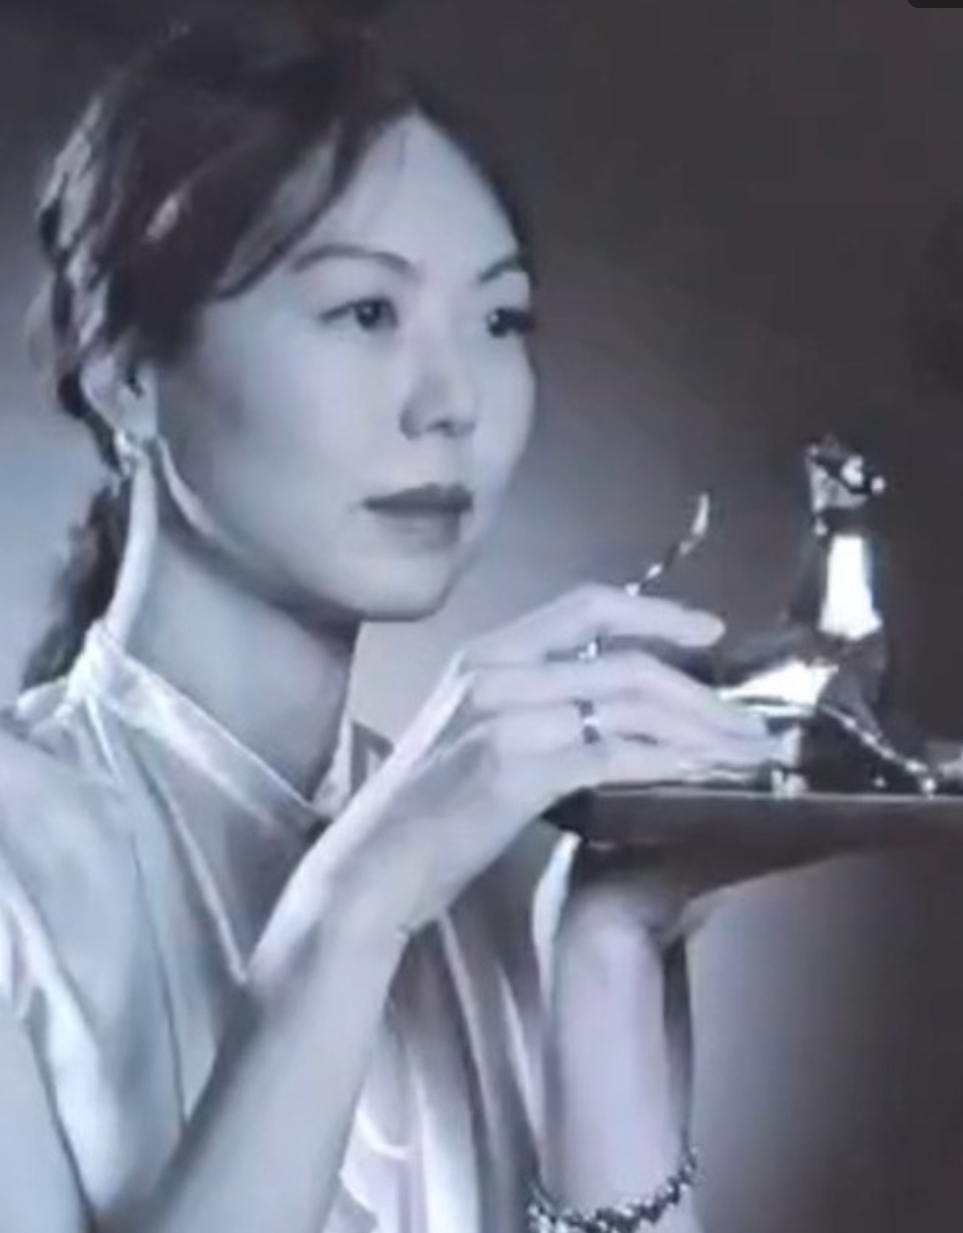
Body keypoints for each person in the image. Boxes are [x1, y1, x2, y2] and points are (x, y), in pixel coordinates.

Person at [0, 6, 783, 1232]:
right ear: (126, 377)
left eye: (500, 319)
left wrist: (607, 954)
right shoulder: (20, 862)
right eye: (367, 312)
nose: (453, 402)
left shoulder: (507, 859)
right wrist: (355, 908)